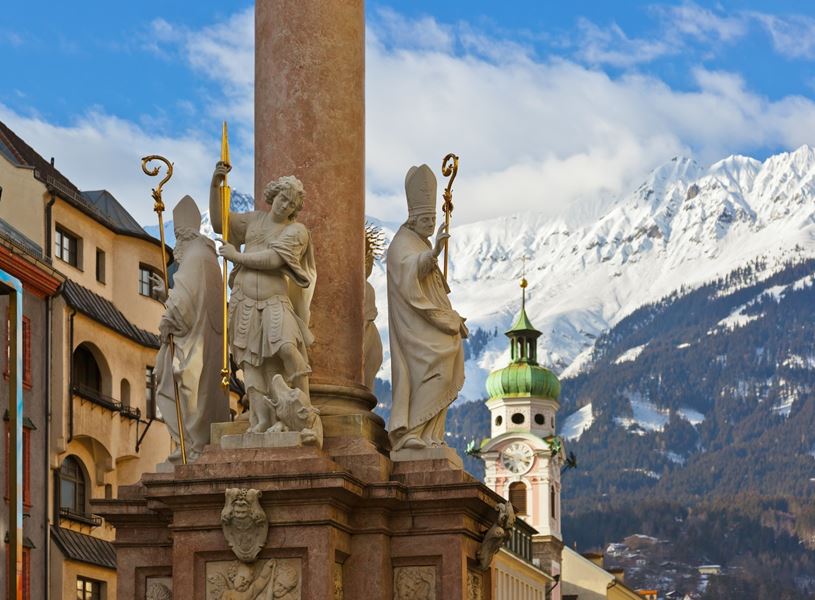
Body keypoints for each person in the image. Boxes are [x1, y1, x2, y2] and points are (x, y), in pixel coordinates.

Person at [210, 162, 316, 433]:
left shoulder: (297, 231)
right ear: (274, 196)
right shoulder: (253, 220)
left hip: (274, 301)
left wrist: (237, 256)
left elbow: (274, 259)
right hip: (243, 299)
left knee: (286, 348)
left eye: (291, 204)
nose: (284, 206)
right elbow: (219, 221)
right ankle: (261, 419)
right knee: (250, 363)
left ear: (295, 209)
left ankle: (304, 413)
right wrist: (215, 185)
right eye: (282, 198)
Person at [387, 164, 468, 452]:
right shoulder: (401, 244)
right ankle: (410, 429)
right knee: (435, 373)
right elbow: (407, 272)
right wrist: (433, 253)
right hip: (414, 327)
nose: (432, 225)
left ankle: (430, 435)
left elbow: (434, 287)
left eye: (434, 219)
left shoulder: (418, 242)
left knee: (446, 364)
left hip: (428, 321)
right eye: (427, 220)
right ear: (414, 218)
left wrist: (449, 316)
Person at [152, 195, 226, 462]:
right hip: (205, 342)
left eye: (176, 238)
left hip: (192, 346)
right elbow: (194, 300)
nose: (175, 246)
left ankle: (193, 448)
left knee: (183, 390)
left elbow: (182, 307)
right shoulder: (208, 258)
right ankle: (194, 444)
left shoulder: (193, 257)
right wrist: (167, 296)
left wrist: (166, 320)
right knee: (199, 393)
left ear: (183, 235)